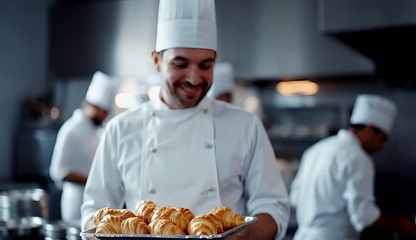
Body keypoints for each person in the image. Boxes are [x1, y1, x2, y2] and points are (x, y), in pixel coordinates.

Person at [81, 0, 290, 239]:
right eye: (180, 64)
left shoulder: (245, 126)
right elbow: (94, 212)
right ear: (156, 61)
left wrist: (247, 236)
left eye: (205, 65)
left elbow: (274, 207)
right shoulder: (120, 129)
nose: (194, 78)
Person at [290, 94, 416, 240]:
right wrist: (400, 224)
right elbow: (364, 216)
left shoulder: (315, 150)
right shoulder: (358, 158)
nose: (381, 147)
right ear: (369, 129)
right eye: (382, 139)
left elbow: (294, 198)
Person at [50, 71, 117, 221]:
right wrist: (94, 180)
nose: (105, 116)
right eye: (103, 112)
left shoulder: (95, 131)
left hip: (95, 202)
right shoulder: (71, 130)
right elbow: (58, 171)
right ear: (92, 105)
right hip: (75, 202)